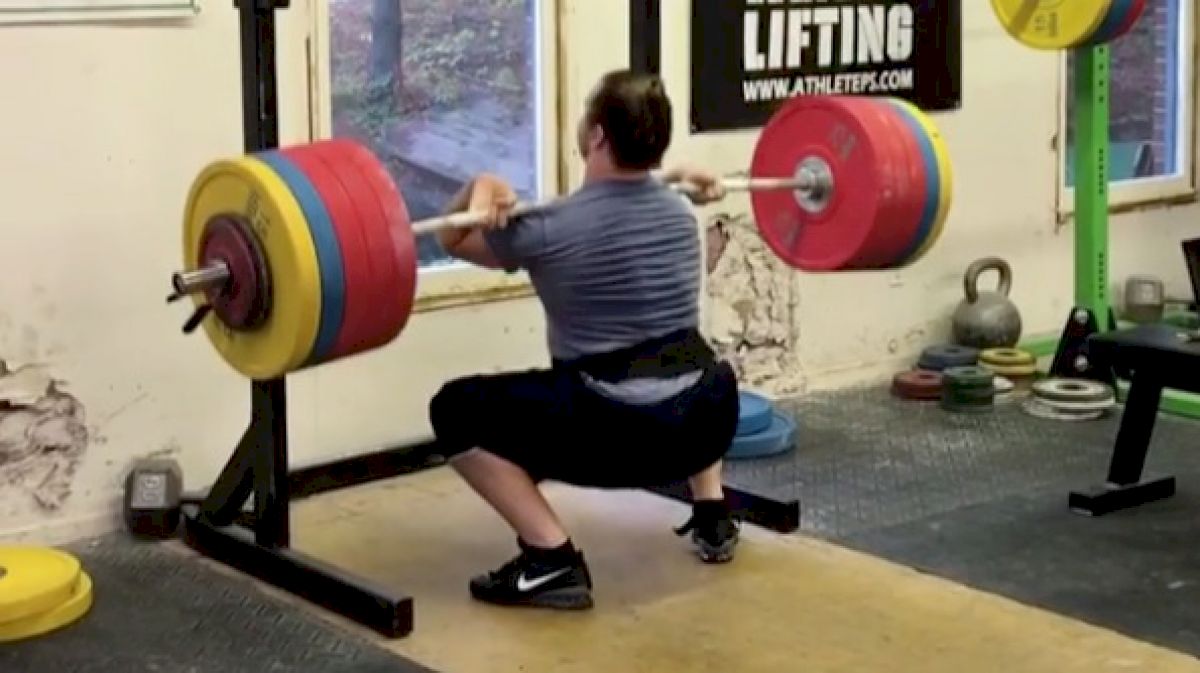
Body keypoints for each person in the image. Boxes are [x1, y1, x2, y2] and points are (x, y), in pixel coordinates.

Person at [428, 69, 740, 611]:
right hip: (709, 419)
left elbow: (450, 236)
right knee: (678, 352)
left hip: (616, 435)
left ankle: (549, 559)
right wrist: (676, 176)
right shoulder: (678, 211)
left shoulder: (547, 226)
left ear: (595, 134)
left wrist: (478, 187)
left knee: (455, 409)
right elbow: (640, 197)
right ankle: (712, 513)